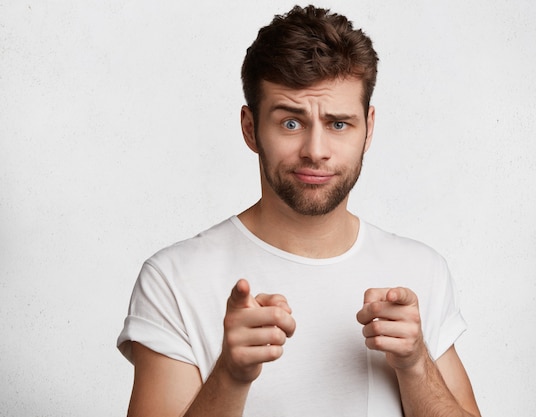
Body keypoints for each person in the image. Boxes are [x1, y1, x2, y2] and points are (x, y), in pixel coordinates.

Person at [117, 5, 481, 417]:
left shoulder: (421, 271)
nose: (315, 150)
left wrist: (416, 366)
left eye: (339, 123)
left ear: (369, 128)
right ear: (251, 128)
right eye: (291, 123)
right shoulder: (174, 279)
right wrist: (230, 376)